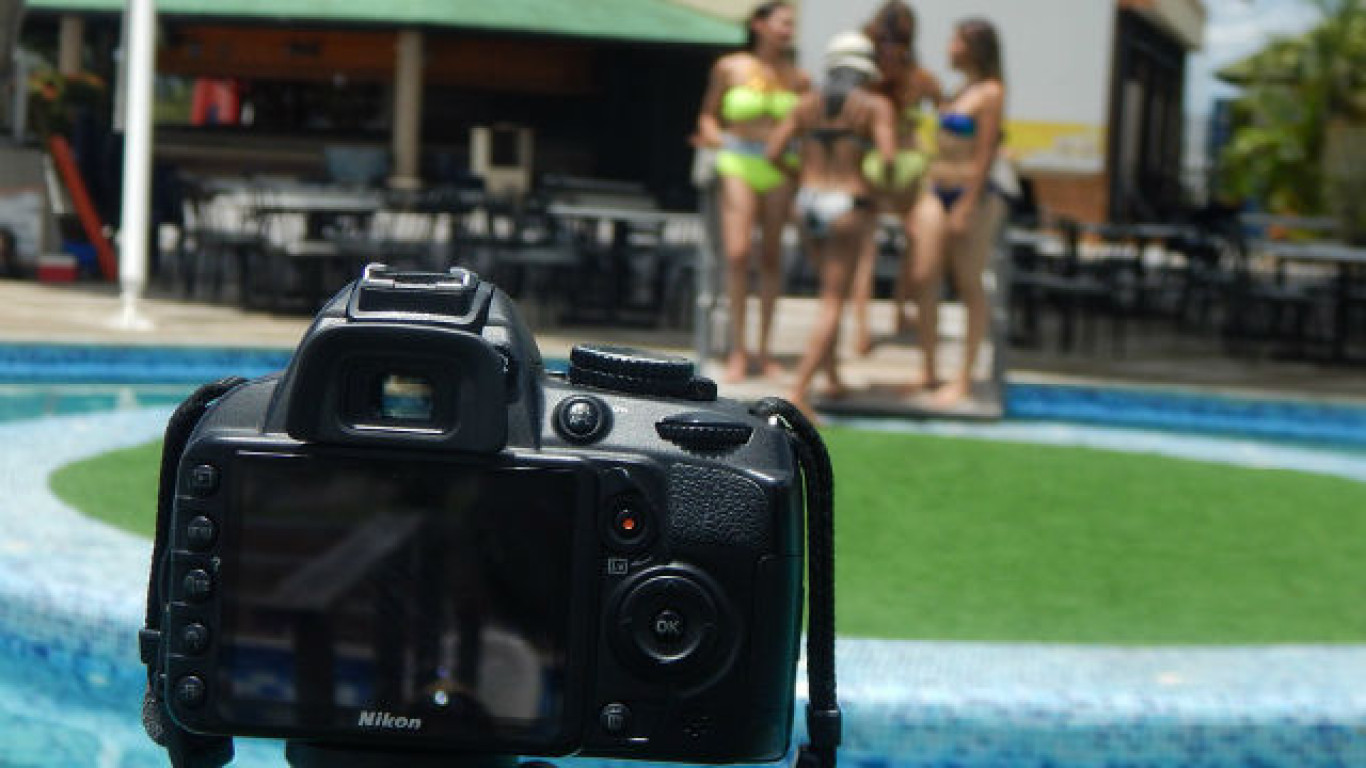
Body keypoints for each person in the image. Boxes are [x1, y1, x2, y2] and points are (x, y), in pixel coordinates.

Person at [766, 32, 897, 421]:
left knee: (828, 293)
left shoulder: (806, 103)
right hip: (848, 202)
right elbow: (889, 159)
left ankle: (832, 375)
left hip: (807, 200)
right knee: (833, 301)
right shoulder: (873, 105)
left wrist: (799, 176)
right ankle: (799, 390)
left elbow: (773, 152)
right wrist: (880, 189)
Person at [694, 1, 809, 382]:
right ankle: (738, 350)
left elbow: (804, 126)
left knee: (772, 256)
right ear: (760, 24)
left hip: (779, 164)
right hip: (738, 158)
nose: (788, 30)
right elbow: (708, 114)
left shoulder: (798, 76)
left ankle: (764, 350)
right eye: (782, 23)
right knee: (738, 253)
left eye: (791, 25)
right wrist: (713, 136)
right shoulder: (731, 67)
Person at [907, 18, 1007, 408]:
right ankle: (928, 367)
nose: (949, 47)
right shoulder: (958, 89)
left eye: (956, 41)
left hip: (971, 193)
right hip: (936, 188)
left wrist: (967, 203)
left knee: (968, 283)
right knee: (923, 275)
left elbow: (986, 152)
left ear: (974, 47)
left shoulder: (990, 92)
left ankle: (964, 376)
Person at [850, 0, 942, 357]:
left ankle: (882, 319)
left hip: (882, 166)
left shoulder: (881, 80)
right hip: (895, 165)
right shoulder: (910, 78)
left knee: (876, 249)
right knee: (883, 247)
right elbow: (946, 113)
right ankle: (884, 318)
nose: (890, 47)